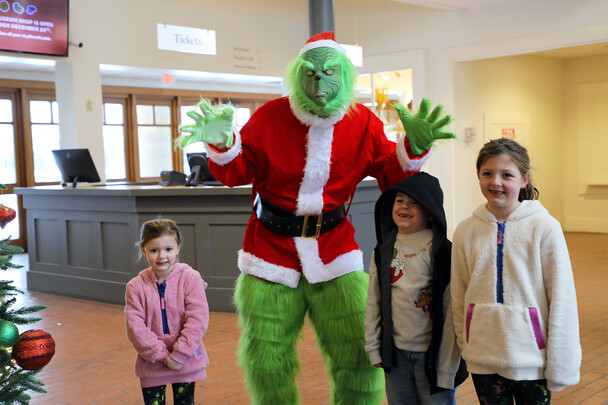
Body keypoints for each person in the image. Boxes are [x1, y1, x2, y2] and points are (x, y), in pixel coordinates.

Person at [177, 31, 456, 405]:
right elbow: (236, 173)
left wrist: (412, 150)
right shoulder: (269, 117)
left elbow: (392, 174)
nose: (319, 81)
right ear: (297, 75)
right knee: (267, 362)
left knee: (358, 356)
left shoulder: (363, 123)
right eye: (310, 73)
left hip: (335, 251)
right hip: (269, 254)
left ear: (343, 75)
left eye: (328, 72)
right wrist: (224, 147)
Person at [451, 138, 581, 404]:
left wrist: (560, 364)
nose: (495, 182)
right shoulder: (466, 230)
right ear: (478, 176)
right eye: (487, 173)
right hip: (483, 357)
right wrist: (467, 346)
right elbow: (458, 293)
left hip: (531, 358)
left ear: (524, 179)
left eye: (506, 175)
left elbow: (561, 297)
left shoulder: (545, 227)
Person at [365, 172, 468, 405]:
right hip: (396, 354)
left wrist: (447, 366)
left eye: (414, 203)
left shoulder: (443, 252)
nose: (405, 206)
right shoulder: (383, 250)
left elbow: (453, 310)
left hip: (434, 358)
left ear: (430, 213)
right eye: (400, 200)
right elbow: (374, 300)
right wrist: (373, 346)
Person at [125, 218, 209, 405]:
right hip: (152, 364)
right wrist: (161, 356)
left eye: (168, 249)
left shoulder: (191, 279)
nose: (161, 256)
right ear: (143, 250)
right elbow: (135, 328)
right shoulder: (135, 287)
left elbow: (197, 320)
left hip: (185, 363)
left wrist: (179, 355)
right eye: (154, 250)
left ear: (178, 248)